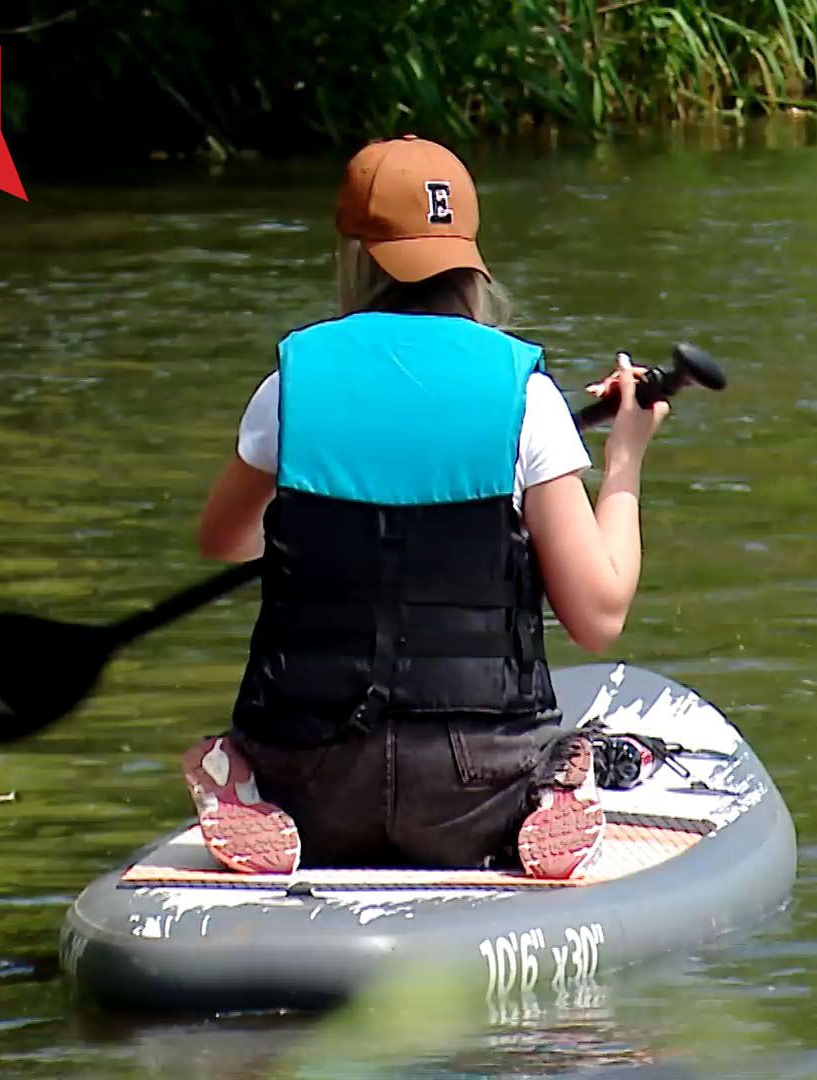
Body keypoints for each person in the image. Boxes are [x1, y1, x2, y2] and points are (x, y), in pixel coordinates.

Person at [182, 134, 666, 880]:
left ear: (355, 255)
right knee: (564, 746)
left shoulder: (289, 390)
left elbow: (225, 540)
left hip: (309, 782)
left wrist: (329, 541)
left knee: (267, 741)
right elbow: (598, 617)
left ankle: (243, 784)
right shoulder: (526, 401)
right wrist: (624, 456)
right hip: (477, 788)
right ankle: (548, 792)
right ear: (467, 257)